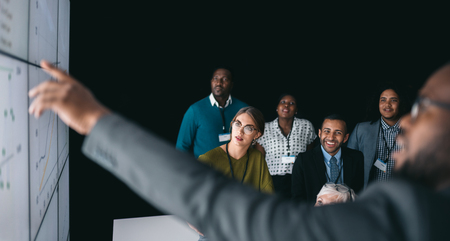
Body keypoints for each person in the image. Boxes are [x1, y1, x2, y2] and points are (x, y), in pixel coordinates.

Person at [29, 60, 450, 241]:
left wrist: (94, 121)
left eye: (423, 106)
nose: (405, 120)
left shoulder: (410, 215)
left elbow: (246, 207)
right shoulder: (206, 147)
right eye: (239, 127)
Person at [195, 106, 274, 240]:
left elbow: (268, 196)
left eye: (248, 128)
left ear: (257, 134)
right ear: (232, 125)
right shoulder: (208, 159)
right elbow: (191, 198)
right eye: (238, 124)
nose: (240, 131)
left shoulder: (256, 157)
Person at [176, 66, 248, 158]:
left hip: (236, 170)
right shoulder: (195, 110)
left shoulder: (244, 109)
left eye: (225, 79)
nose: (219, 83)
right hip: (205, 171)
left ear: (231, 84)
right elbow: (181, 147)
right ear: (211, 82)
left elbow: (251, 142)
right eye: (215, 78)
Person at [291, 114, 364, 205]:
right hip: (315, 215)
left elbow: (358, 193)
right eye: (327, 131)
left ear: (345, 138)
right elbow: (298, 198)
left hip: (346, 214)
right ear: (320, 133)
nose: (331, 137)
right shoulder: (304, 160)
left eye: (338, 132)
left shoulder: (356, 158)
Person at [347, 84, 410, 188]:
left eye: (393, 100)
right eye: (383, 100)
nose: (387, 104)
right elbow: (349, 163)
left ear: (401, 103)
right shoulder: (361, 130)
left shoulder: (411, 131)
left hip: (402, 193)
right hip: (370, 195)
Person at [255, 94, 316, 198]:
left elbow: (310, 156)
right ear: (277, 108)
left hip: (299, 180)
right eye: (283, 102)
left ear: (296, 110)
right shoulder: (265, 129)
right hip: (273, 181)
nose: (286, 105)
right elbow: (259, 160)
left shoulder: (306, 126)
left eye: (291, 103)